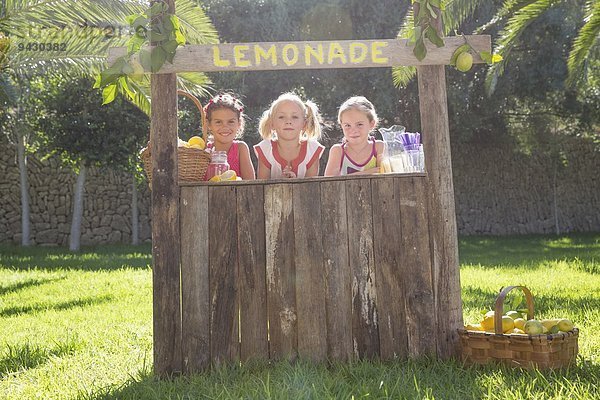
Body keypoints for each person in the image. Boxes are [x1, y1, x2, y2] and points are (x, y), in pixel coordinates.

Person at [254, 92, 324, 179]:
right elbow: (262, 187)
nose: (288, 121)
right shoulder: (265, 149)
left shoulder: (312, 149)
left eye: (294, 117)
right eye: (281, 117)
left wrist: (294, 183)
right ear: (272, 123)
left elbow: (311, 187)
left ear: (304, 124)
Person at [324, 96, 384, 176]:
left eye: (359, 124)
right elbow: (329, 183)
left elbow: (385, 174)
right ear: (341, 126)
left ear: (371, 124)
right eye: (348, 125)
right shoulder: (338, 151)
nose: (353, 130)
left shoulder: (378, 147)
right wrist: (369, 172)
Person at [204, 93, 255, 180]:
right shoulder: (204, 151)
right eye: (218, 122)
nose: (225, 127)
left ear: (239, 123)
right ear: (209, 124)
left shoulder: (240, 148)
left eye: (230, 122)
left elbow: (250, 183)